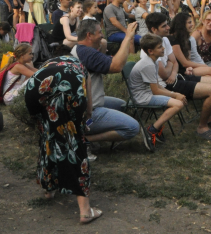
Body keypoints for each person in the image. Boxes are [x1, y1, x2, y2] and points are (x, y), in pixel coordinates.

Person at [25, 53, 102, 224]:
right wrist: (86, 119)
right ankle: (85, 211)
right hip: (70, 86)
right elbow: (88, 101)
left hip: (33, 88)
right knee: (74, 143)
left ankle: (49, 189)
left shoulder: (49, 64)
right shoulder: (81, 68)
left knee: (48, 136)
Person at [145, 13, 211, 141]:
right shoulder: (149, 47)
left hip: (176, 77)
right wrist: (171, 68)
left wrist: (171, 69)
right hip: (167, 85)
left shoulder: (165, 40)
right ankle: (202, 127)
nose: (168, 27)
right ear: (154, 29)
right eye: (164, 26)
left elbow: (174, 62)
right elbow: (164, 74)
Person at [70, 19, 149, 151]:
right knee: (132, 127)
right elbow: (116, 66)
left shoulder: (81, 50)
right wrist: (128, 37)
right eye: (99, 32)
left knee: (122, 105)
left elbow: (110, 61)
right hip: (90, 110)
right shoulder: (87, 53)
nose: (102, 35)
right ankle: (85, 140)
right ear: (89, 35)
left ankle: (90, 133)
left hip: (87, 102)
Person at [129, 34, 187, 148]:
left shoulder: (153, 60)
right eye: (160, 47)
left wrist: (174, 95)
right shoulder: (148, 64)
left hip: (148, 93)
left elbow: (157, 85)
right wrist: (175, 95)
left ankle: (156, 127)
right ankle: (152, 129)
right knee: (178, 104)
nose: (163, 48)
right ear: (150, 51)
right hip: (142, 98)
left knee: (176, 101)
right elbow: (155, 91)